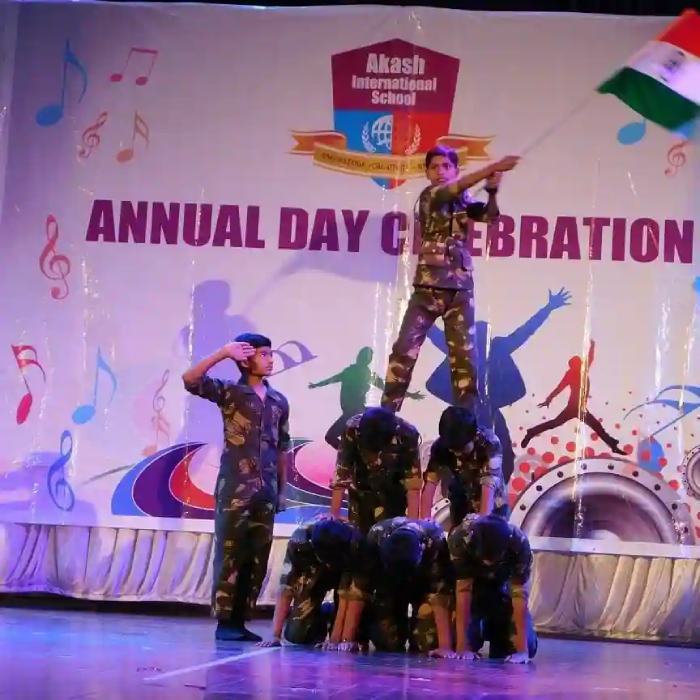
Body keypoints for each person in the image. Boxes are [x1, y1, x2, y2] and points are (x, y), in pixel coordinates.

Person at [381, 147, 520, 413]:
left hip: (459, 291)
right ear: (427, 173)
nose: (440, 171)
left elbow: (489, 217)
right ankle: (386, 415)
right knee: (404, 351)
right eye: (434, 167)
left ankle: (466, 421)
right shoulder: (431, 196)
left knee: (464, 360)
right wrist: (494, 167)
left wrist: (492, 191)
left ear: (455, 170)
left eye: (446, 166)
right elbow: (451, 190)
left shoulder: (464, 201)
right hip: (428, 289)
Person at [182, 332, 291, 642]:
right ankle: (225, 622)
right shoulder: (230, 392)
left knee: (257, 557)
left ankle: (241, 620)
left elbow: (282, 448)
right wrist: (222, 353)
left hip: (266, 490)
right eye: (263, 354)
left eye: (271, 353)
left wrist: (282, 490)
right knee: (230, 554)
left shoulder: (278, 401)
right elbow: (190, 380)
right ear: (245, 359)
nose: (270, 359)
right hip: (235, 489)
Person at [328, 517, 455, 657]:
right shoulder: (375, 537)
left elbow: (439, 596)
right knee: (388, 643)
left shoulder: (435, 540)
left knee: (427, 644)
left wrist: (445, 647)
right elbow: (359, 591)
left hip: (421, 586)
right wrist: (346, 640)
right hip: (388, 585)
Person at [257, 516, 363, 647]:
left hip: (344, 573)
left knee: (350, 634)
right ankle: (325, 612)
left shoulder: (354, 541)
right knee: (296, 635)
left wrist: (338, 640)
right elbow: (286, 586)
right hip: (315, 572)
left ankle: (334, 618)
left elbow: (349, 595)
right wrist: (275, 635)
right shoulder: (299, 541)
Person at [448, 514, 538, 663]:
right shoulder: (461, 539)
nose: (488, 563)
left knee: (528, 646)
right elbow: (463, 591)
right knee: (454, 643)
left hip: (504, 595)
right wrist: (462, 646)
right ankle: (475, 634)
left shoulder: (518, 542)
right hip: (474, 595)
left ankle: (499, 635)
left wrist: (522, 651)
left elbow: (519, 595)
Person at [521, 339, 625, 454]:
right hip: (573, 407)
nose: (581, 365)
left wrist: (592, 346)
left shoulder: (582, 371)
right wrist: (549, 399)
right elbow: (559, 388)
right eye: (578, 363)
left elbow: (590, 358)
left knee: (592, 426)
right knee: (560, 423)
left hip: (579, 407)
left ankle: (612, 444)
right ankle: (612, 444)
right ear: (574, 365)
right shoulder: (571, 374)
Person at [309, 346, 423, 449]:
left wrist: (410, 395)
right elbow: (333, 379)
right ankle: (353, 455)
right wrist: (316, 385)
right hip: (355, 412)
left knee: (331, 437)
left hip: (353, 412)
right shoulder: (352, 372)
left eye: (367, 357)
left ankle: (352, 455)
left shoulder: (360, 373)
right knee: (338, 438)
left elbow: (387, 388)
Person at [330, 407, 421, 534]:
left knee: (391, 538)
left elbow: (412, 486)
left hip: (394, 496)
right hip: (360, 494)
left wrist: (411, 530)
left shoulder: (407, 436)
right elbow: (341, 476)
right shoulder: (352, 430)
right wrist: (333, 522)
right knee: (358, 538)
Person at [421, 406, 507, 527]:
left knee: (489, 533)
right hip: (461, 500)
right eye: (452, 449)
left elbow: (488, 486)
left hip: (492, 502)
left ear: (474, 436)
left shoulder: (489, 443)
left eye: (462, 449)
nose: (457, 454)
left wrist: (481, 528)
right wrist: (425, 524)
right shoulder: (440, 447)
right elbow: (430, 484)